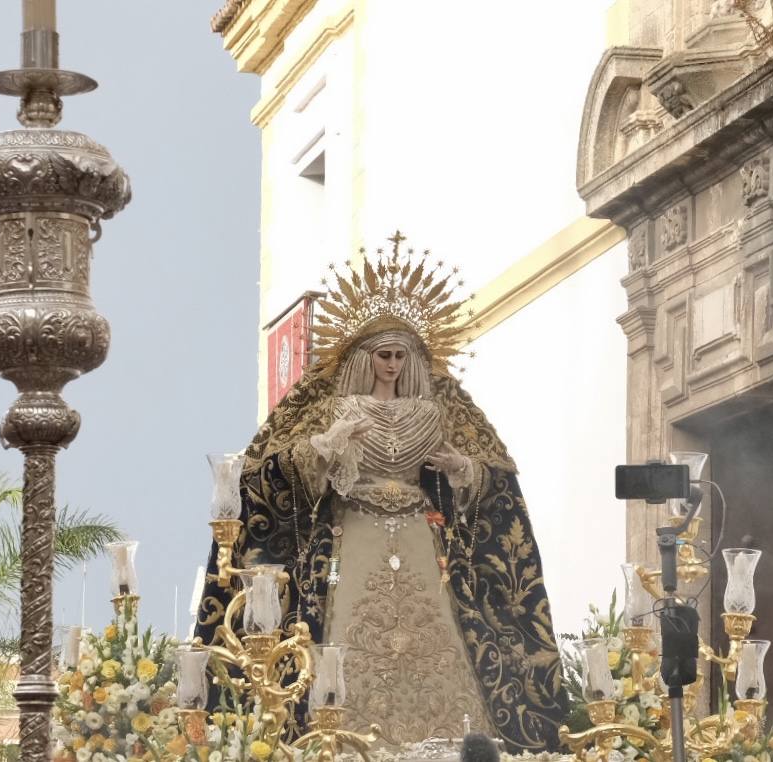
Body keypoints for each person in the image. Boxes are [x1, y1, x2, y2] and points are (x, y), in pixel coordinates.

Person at [195, 236, 566, 752]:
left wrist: (462, 469)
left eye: (400, 356)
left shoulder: (434, 412)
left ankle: (450, 743)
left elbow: (493, 478)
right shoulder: (337, 410)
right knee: (348, 633)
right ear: (364, 358)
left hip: (419, 535)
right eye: (383, 355)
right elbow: (271, 472)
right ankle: (340, 739)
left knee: (438, 636)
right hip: (354, 536)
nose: (391, 365)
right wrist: (325, 448)